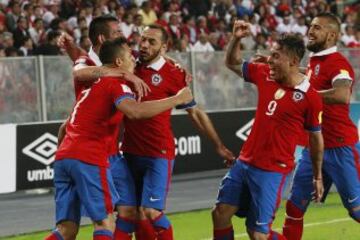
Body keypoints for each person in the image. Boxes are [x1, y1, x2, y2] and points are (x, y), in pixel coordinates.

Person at [45, 37, 193, 240]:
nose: (134, 61)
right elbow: (135, 112)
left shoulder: (90, 83)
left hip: (64, 157)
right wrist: (177, 99)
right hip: (90, 157)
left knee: (67, 229)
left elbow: (64, 127)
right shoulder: (116, 84)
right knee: (105, 222)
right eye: (129, 58)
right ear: (118, 63)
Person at [212, 20, 324, 240]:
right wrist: (236, 38)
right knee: (220, 214)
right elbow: (232, 62)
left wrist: (318, 175)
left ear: (292, 61)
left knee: (258, 233)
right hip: (244, 162)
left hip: (272, 170)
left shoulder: (310, 97)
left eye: (276, 56)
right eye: (271, 55)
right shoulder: (265, 74)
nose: (269, 60)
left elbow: (316, 138)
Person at [282, 13, 360, 240]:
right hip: (314, 148)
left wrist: (306, 93)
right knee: (294, 207)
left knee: (356, 211)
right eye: (310, 26)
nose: (310, 31)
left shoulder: (338, 63)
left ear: (332, 35)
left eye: (317, 27)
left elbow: (342, 94)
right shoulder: (316, 62)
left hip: (340, 147)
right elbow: (305, 77)